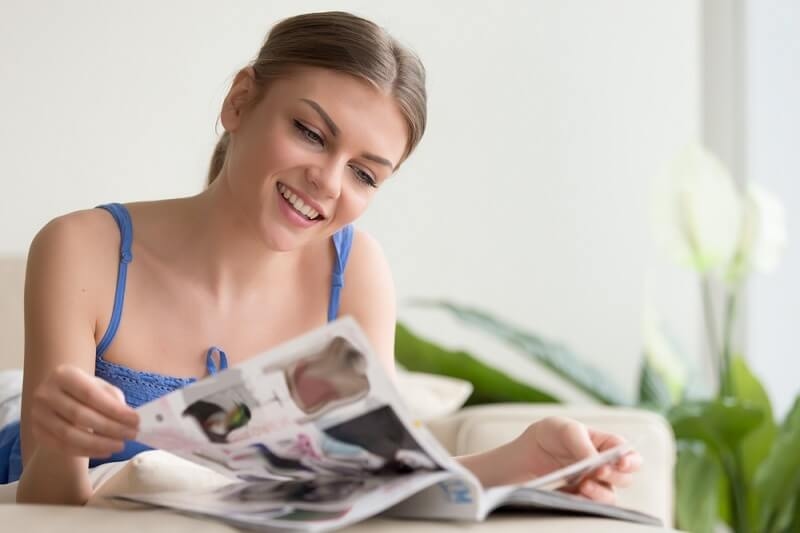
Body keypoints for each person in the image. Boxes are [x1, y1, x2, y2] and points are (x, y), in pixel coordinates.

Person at [0, 11, 641, 505]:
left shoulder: (353, 271)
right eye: (310, 133)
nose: (328, 183)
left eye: (364, 174)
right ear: (240, 101)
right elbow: (48, 504)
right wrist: (59, 442)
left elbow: (374, 479)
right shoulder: (84, 249)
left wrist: (525, 460)